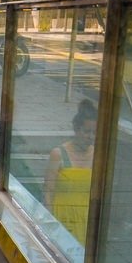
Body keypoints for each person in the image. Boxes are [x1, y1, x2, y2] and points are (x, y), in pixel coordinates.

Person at [43, 98, 97, 244]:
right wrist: (50, 222)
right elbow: (48, 191)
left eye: (94, 132)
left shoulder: (98, 155)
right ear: (76, 129)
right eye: (87, 132)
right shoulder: (58, 154)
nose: (90, 137)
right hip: (62, 217)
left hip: (87, 220)